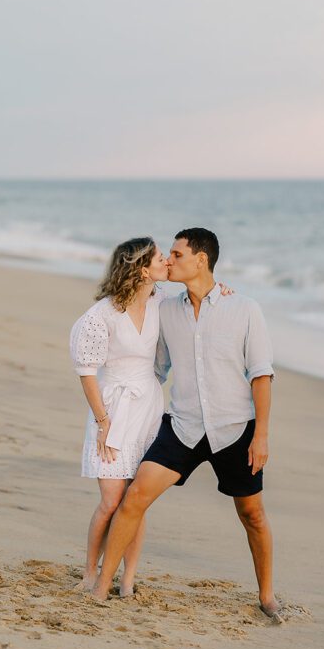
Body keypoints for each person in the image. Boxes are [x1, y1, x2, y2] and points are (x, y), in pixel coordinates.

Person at [91, 228, 282, 622]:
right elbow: (153, 365)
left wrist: (261, 435)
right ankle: (101, 587)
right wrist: (111, 409)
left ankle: (266, 596)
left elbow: (261, 375)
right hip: (182, 427)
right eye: (168, 255)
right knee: (135, 497)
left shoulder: (245, 308)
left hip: (234, 430)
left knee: (252, 515)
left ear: (201, 260)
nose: (169, 261)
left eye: (176, 254)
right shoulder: (166, 309)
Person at [69, 236, 230, 596]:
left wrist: (224, 292)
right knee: (111, 501)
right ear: (142, 269)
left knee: (135, 500)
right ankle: (89, 573)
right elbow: (86, 371)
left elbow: (200, 302)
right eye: (161, 257)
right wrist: (102, 421)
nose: (167, 262)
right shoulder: (102, 315)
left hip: (148, 408)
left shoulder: (163, 305)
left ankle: (127, 580)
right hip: (111, 407)